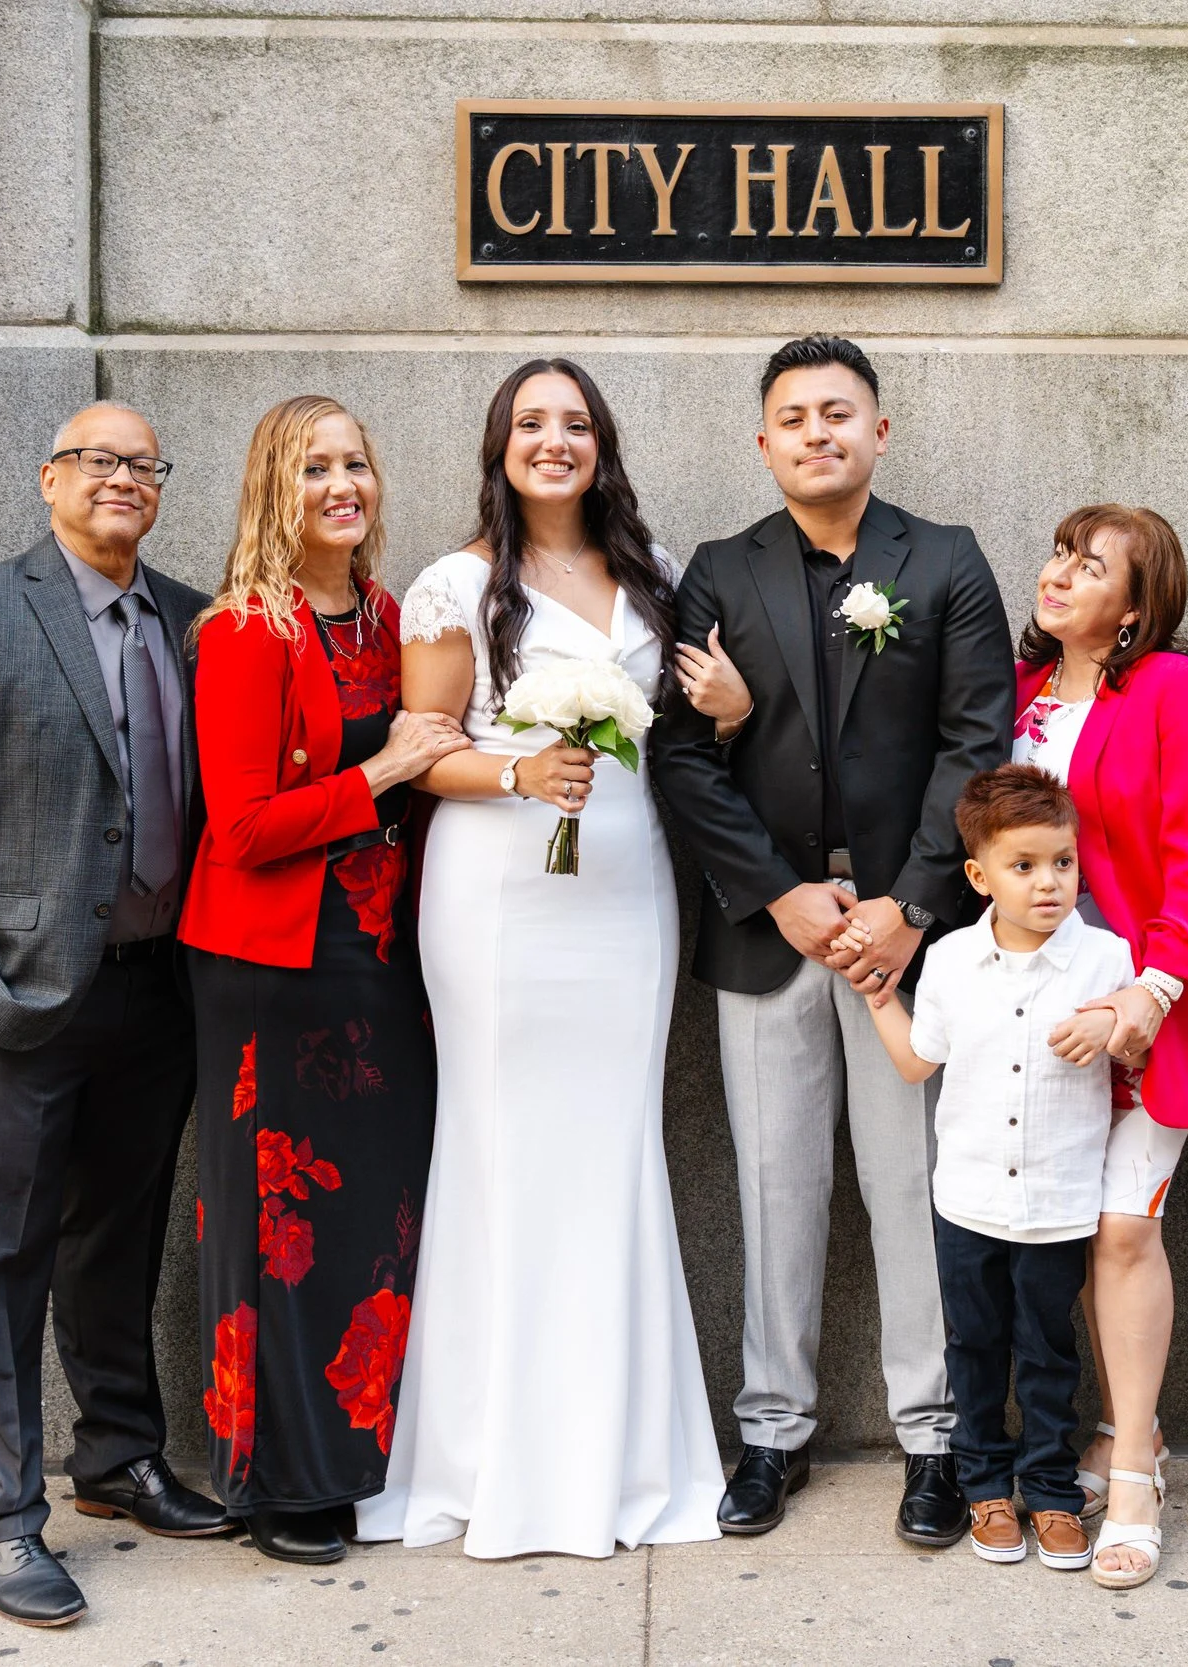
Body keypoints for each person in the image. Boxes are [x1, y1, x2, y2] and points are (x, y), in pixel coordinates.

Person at [653, 333, 1016, 1548]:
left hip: (909, 934)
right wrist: (778, 893)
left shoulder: (948, 562)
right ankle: (771, 1427)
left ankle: (935, 1434)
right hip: (773, 936)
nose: (817, 432)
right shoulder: (715, 571)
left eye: (838, 412)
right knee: (774, 1179)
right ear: (762, 443)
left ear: (879, 430)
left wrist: (909, 907)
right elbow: (679, 757)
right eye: (793, 417)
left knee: (912, 1181)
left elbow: (976, 741)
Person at [358, 358, 724, 1559]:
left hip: (627, 890)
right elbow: (422, 750)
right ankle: (492, 1459)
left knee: (613, 1149)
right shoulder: (454, 584)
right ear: (499, 445)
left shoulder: (653, 571)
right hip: (501, 895)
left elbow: (687, 729)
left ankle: (625, 1457)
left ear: (602, 443)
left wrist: (728, 703)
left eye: (574, 422)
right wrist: (518, 768)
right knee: (505, 1147)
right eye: (531, 422)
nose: (553, 440)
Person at [0, 402, 232, 1627]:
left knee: (117, 1239)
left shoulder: (193, 619)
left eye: (144, 462)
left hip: (157, 990)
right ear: (49, 479)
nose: (124, 478)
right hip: (21, 1000)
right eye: (99, 460)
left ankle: (121, 1458)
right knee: (3, 1256)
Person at [179, 397, 471, 1565]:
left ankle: (360, 1454)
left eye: (355, 462)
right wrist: (390, 765)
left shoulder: (391, 615)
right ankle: (277, 1477)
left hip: (383, 961)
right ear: (272, 488)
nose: (341, 485)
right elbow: (241, 824)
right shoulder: (245, 630)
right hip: (270, 969)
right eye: (315, 468)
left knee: (371, 1212)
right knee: (276, 1225)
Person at [1005, 504, 1188, 1588]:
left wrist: (1150, 994)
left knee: (1119, 1229)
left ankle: (1140, 1467)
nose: (1061, 573)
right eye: (1060, 552)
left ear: (1137, 606)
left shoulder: (1179, 691)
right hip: (1036, 1022)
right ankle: (1099, 1436)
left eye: (1091, 564)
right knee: (1050, 1234)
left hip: (1153, 1008)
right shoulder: (1013, 700)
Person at [852, 766, 1134, 1575]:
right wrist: (878, 998)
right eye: (1024, 865)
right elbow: (917, 1064)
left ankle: (1049, 1490)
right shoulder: (947, 962)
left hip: (1057, 1199)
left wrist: (1117, 1024)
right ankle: (984, 1484)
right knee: (973, 1344)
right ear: (978, 876)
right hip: (968, 1199)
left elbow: (1141, 1047)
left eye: (1063, 863)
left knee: (1049, 1350)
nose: (1048, 882)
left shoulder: (1106, 957)